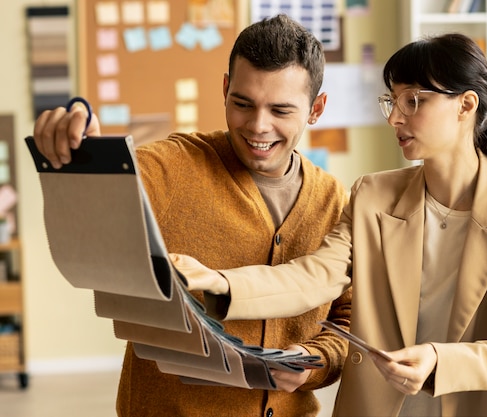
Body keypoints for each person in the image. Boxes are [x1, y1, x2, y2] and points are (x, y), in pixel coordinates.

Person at [168, 33, 487, 417]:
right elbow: (315, 276)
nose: (395, 117)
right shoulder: (372, 196)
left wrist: (438, 360)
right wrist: (218, 281)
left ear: (466, 105)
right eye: (392, 101)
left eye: (413, 100)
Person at [32, 14, 352, 417]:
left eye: (281, 110)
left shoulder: (334, 201)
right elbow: (100, 209)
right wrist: (84, 154)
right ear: (224, 89)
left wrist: (312, 361)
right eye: (242, 103)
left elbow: (349, 319)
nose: (258, 126)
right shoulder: (175, 165)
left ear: (316, 108)